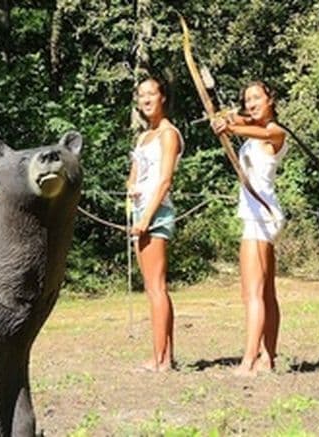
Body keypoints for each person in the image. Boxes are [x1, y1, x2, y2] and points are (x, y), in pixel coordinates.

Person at [212, 81, 287, 376]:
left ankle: (249, 361)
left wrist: (231, 128)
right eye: (248, 99)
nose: (252, 103)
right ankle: (267, 358)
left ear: (271, 99)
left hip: (261, 215)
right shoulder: (250, 126)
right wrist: (223, 119)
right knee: (265, 291)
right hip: (257, 214)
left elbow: (263, 131)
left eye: (258, 97)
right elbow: (236, 120)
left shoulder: (276, 132)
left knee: (252, 292)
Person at [127, 76, 183, 372]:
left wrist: (147, 218)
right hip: (140, 214)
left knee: (156, 287)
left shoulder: (168, 134)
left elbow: (165, 180)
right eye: (141, 95)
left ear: (163, 97)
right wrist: (131, 187)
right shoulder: (143, 137)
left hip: (155, 214)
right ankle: (163, 355)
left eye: (151, 94)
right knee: (151, 287)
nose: (146, 99)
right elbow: (136, 174)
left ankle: (161, 359)